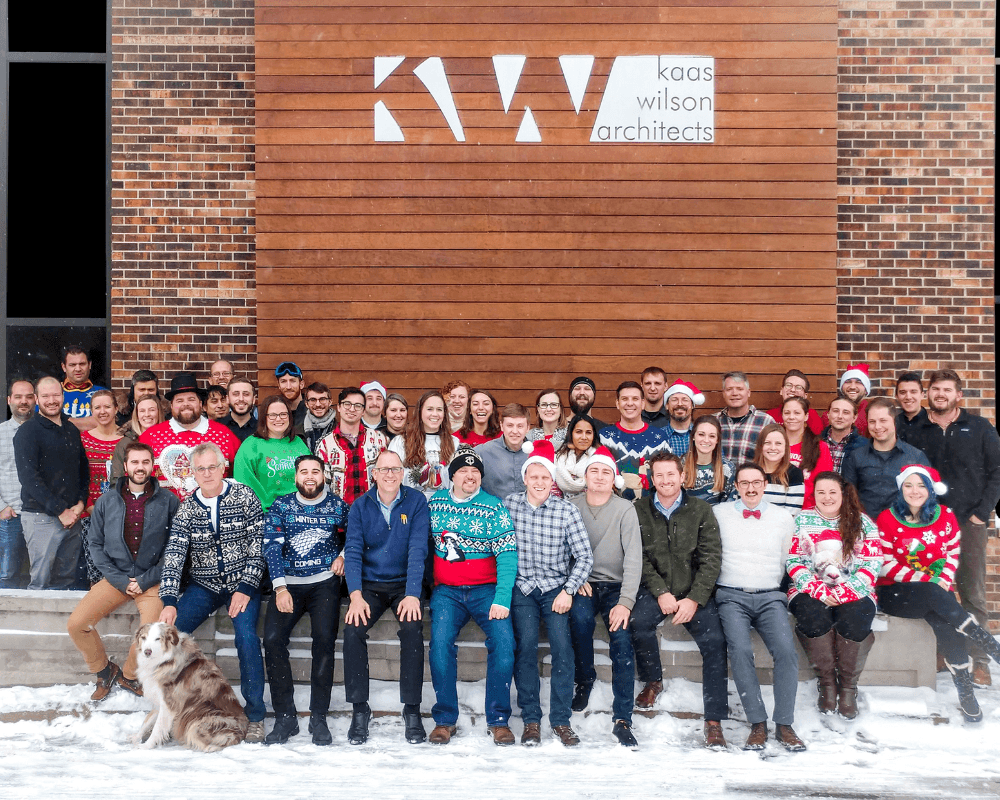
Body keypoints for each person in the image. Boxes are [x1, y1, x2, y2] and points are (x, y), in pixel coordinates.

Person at [158, 442, 267, 743]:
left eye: (212, 467)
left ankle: (255, 714)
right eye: (200, 469)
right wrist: (169, 599)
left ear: (223, 468)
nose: (207, 473)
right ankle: (174, 711)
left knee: (246, 637)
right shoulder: (188, 507)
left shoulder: (245, 496)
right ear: (193, 473)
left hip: (242, 583)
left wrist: (246, 587)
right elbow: (175, 554)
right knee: (172, 636)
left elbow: (259, 546)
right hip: (204, 585)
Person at [875, 464, 1000, 722]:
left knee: (944, 623)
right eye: (908, 485)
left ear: (931, 489)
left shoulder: (945, 515)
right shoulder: (887, 518)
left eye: (921, 485)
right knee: (935, 596)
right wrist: (927, 580)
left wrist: (941, 579)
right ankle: (986, 642)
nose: (915, 491)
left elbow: (953, 553)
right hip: (896, 593)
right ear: (900, 489)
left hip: (935, 594)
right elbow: (884, 563)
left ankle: (965, 690)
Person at [900, 368, 1000, 686]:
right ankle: (941, 653)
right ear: (927, 393)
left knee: (971, 591)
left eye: (947, 389)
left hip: (968, 523)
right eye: (935, 389)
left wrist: (980, 514)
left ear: (959, 394)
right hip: (926, 524)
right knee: (932, 589)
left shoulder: (980, 428)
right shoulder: (915, 428)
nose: (940, 394)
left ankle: (979, 661)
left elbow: (997, 472)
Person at [629, 452, 729, 748]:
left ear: (682, 476)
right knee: (637, 623)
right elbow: (639, 557)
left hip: (694, 593)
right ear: (651, 478)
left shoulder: (700, 510)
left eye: (670, 475)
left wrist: (694, 599)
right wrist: (660, 592)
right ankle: (653, 680)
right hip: (656, 590)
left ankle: (713, 720)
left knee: (715, 643)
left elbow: (712, 559)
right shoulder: (639, 510)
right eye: (659, 475)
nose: (665, 481)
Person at [66, 442, 179, 700]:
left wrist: (147, 579)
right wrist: (119, 579)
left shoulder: (169, 501)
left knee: (151, 635)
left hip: (151, 580)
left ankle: (128, 675)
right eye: (135, 462)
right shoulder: (107, 501)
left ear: (153, 466)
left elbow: (175, 547)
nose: (140, 467)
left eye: (145, 462)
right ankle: (104, 671)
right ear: (125, 466)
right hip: (115, 578)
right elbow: (94, 544)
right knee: (76, 624)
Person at [426, 447, 518, 746]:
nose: (470, 476)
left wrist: (502, 598)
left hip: (485, 590)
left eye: (476, 472)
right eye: (464, 471)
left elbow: (507, 554)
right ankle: (444, 719)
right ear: (452, 475)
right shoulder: (435, 503)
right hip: (447, 592)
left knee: (504, 642)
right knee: (439, 644)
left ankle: (499, 719)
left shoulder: (493, 507)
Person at [505, 440, 593, 747]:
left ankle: (560, 720)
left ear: (552, 480)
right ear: (526, 478)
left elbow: (584, 557)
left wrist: (569, 590)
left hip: (556, 588)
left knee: (561, 648)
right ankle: (531, 719)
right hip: (523, 588)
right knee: (525, 646)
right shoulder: (510, 505)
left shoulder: (566, 511)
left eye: (545, 477)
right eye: (534, 476)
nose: (540, 482)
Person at [713, 463, 805, 751]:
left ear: (765, 484)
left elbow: (790, 559)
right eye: (744, 483)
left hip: (769, 596)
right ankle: (757, 723)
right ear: (736, 486)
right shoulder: (719, 514)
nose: (751, 488)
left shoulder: (782, 518)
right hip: (731, 595)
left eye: (756, 482)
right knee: (740, 651)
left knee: (787, 653)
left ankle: (785, 724)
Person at [342, 449, 430, 745]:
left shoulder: (416, 502)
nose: (390, 474)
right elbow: (352, 552)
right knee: (352, 631)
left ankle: (412, 708)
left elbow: (418, 549)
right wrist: (355, 595)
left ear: (403, 473)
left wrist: (413, 594)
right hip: (370, 584)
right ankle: (359, 709)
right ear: (374, 474)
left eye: (395, 469)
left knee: (412, 629)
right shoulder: (360, 506)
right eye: (384, 469)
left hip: (404, 584)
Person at [262, 455, 350, 745]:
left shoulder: (337, 506)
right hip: (289, 584)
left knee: (324, 641)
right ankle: (285, 717)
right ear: (296, 476)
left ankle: (319, 716)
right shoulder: (281, 505)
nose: (310, 476)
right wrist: (279, 587)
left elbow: (357, 535)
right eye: (304, 472)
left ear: (324, 475)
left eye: (316, 471)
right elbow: (271, 546)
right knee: (273, 639)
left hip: (324, 583)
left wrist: (343, 556)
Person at [787, 471, 882, 719]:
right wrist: (817, 590)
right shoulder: (801, 521)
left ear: (842, 494)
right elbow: (794, 560)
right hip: (809, 588)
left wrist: (844, 593)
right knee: (812, 613)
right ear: (813, 495)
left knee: (856, 614)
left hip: (854, 589)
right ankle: (827, 682)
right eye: (821, 492)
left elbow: (872, 564)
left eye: (832, 492)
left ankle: (848, 686)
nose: (827, 497)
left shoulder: (862, 523)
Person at [567, 447, 642, 748]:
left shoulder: (625, 509)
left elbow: (634, 559)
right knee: (580, 619)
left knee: (622, 639)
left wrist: (625, 602)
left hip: (616, 586)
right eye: (594, 471)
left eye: (606, 472)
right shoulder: (571, 506)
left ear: (614, 479)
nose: (599, 477)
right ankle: (585, 678)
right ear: (585, 476)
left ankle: (622, 717)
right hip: (584, 583)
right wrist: (575, 578)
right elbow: (560, 551)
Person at [13, 376, 89, 589]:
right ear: (37, 399)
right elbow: (29, 478)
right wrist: (60, 510)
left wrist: (81, 503)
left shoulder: (71, 430)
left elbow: (83, 470)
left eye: (56, 394)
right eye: (45, 396)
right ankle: (35, 624)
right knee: (41, 582)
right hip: (41, 518)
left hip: (73, 518)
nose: (52, 400)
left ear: (63, 396)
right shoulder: (28, 432)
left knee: (66, 581)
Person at [139, 373, 241, 501]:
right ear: (171, 406)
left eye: (191, 399)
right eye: (179, 400)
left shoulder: (224, 434)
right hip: (165, 515)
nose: (185, 404)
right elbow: (137, 478)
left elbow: (241, 476)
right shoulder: (151, 436)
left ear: (200, 403)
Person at [843, 396, 930, 519]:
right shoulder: (856, 456)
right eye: (872, 422)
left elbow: (927, 496)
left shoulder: (915, 457)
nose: (877, 427)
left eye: (883, 420)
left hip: (903, 528)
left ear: (894, 421)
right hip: (866, 528)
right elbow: (848, 497)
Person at [78, 390, 125, 586]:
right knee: (96, 570)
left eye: (107, 406)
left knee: (120, 569)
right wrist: (90, 506)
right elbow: (77, 477)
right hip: (90, 514)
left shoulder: (127, 439)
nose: (102, 411)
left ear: (116, 409)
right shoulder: (82, 440)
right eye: (97, 407)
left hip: (121, 516)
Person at [233, 395, 310, 512]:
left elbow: (312, 476)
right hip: (266, 514)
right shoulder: (251, 445)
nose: (278, 419)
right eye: (273, 415)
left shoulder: (298, 442)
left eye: (283, 414)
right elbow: (243, 483)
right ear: (264, 417)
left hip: (301, 512)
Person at [599, 381, 671, 501]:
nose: (630, 403)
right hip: (613, 507)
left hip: (651, 510)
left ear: (643, 403)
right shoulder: (604, 437)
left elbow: (669, 474)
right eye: (625, 399)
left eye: (635, 399)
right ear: (617, 403)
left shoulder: (660, 438)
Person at [317, 387, 389, 505]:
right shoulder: (325, 445)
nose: (352, 409)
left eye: (358, 405)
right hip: (340, 514)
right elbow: (322, 487)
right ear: (339, 407)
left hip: (374, 511)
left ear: (363, 411)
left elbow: (387, 476)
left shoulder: (379, 439)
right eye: (347, 404)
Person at [388, 390, 458, 498]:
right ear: (420, 411)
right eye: (429, 409)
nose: (435, 414)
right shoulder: (400, 442)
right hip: (410, 507)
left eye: (439, 409)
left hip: (443, 508)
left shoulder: (454, 443)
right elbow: (391, 479)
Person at [0, 379, 35, 588]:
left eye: (29, 396)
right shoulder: (0, 434)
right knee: (7, 575)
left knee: (41, 576)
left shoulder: (45, 431)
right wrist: (1, 507)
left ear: (35, 400)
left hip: (41, 516)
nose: (24, 401)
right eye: (18, 396)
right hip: (10, 516)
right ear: (9, 400)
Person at [782, 396, 834, 508]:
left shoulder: (819, 447)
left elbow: (824, 483)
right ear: (782, 415)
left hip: (807, 510)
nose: (791, 417)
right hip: (777, 508)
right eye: (787, 413)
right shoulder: (774, 444)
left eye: (797, 413)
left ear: (806, 416)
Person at [715, 371, 775, 464]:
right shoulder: (713, 421)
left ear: (748, 392)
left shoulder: (766, 422)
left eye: (739, 389)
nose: (734, 393)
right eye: (729, 389)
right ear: (723, 393)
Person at [474, 403, 530, 502]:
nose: (515, 431)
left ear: (528, 427)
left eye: (520, 426)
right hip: (493, 512)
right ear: (502, 426)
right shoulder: (482, 452)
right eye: (510, 425)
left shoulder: (536, 453)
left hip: (526, 514)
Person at [682, 415, 735, 506]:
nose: (706, 440)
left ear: (717, 440)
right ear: (693, 436)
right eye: (701, 434)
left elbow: (729, 506)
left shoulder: (727, 468)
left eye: (712, 436)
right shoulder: (680, 465)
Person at [753, 424, 805, 514]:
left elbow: (791, 514)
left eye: (778, 443)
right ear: (760, 446)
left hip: (780, 527)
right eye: (767, 443)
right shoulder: (749, 471)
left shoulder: (794, 473)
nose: (773, 448)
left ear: (785, 446)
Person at [110, 396, 163, 481]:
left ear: (159, 413)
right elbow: (116, 480)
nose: (147, 414)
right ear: (137, 415)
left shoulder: (170, 440)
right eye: (142, 411)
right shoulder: (126, 443)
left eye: (152, 410)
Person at [60, 346, 107, 431]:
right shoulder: (53, 393)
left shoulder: (103, 393)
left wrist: (61, 422)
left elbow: (103, 422)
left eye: (82, 364)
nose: (78, 369)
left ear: (89, 365)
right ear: (64, 367)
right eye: (72, 365)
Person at [553, 414, 598, 500]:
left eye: (588, 432)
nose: (584, 437)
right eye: (579, 432)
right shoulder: (559, 458)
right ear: (571, 433)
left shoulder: (599, 460)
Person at [767, 369, 823, 435]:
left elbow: (817, 440)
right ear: (781, 390)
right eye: (789, 385)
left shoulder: (812, 416)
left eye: (798, 387)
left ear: (805, 395)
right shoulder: (770, 415)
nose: (793, 390)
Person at [821, 397, 866, 473]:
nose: (840, 416)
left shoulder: (864, 446)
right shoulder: (815, 443)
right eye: (836, 411)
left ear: (854, 418)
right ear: (828, 414)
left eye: (846, 412)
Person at [825, 364, 871, 437]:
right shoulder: (831, 413)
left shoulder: (872, 412)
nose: (852, 387)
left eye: (858, 382)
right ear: (842, 387)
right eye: (848, 382)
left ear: (866, 389)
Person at [661, 379, 704, 457]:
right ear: (667, 405)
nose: (680, 404)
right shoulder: (658, 436)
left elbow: (719, 460)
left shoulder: (704, 435)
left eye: (685, 400)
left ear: (693, 405)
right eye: (674, 400)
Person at [302, 381, 337, 453]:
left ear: (330, 402)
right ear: (306, 404)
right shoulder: (297, 429)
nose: (318, 404)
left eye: (322, 399)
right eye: (313, 400)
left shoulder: (339, 428)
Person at [221, 378, 258, 442]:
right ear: (227, 399)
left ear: (254, 399)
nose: (241, 399)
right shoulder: (218, 427)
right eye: (235, 394)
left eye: (246, 394)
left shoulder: (262, 429)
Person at [275, 361, 306, 432]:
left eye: (292, 381)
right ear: (279, 385)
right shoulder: (273, 412)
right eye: (283, 381)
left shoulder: (311, 411)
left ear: (301, 384)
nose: (288, 387)